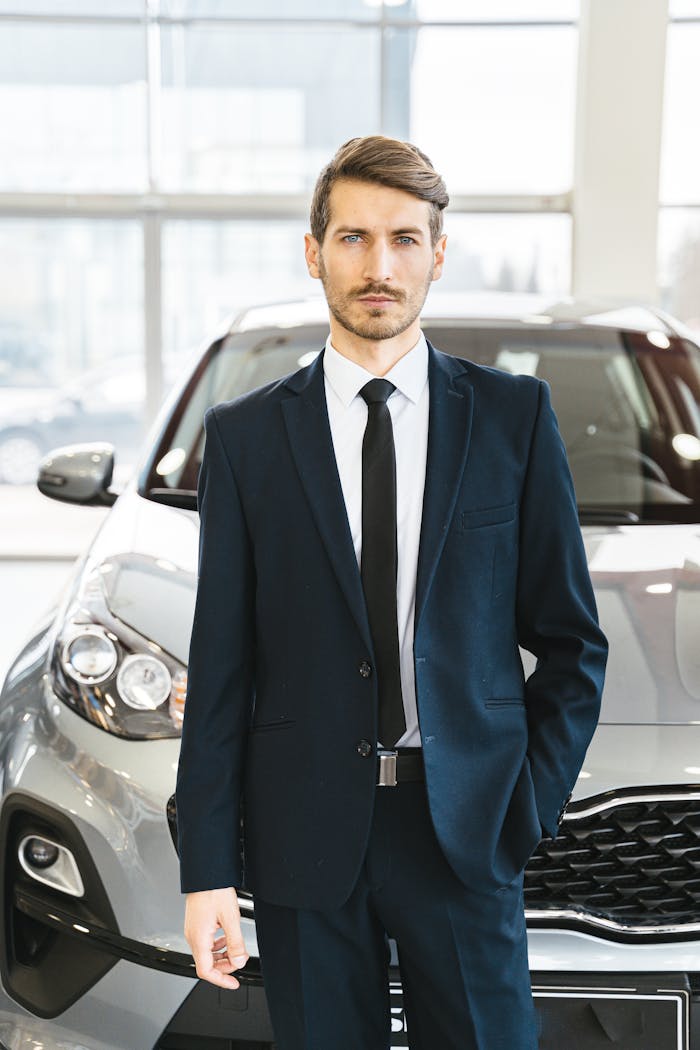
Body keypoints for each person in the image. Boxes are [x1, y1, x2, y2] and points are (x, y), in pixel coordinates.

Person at [175, 135, 608, 1050]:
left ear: (438, 253)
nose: (380, 266)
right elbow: (222, 668)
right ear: (314, 251)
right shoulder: (248, 439)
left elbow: (573, 645)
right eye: (354, 238)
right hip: (303, 835)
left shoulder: (511, 419)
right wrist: (206, 870)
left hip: (461, 830)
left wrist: (520, 811)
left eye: (406, 239)